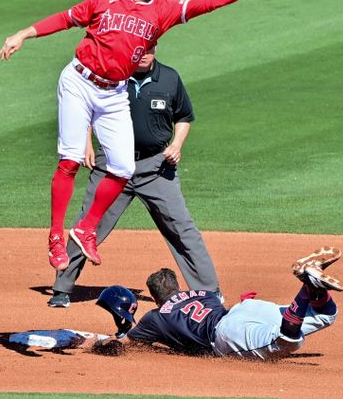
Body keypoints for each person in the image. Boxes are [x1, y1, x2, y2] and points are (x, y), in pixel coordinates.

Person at [0, 0, 292, 271]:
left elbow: (204, 3)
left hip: (113, 92)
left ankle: (85, 229)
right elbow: (64, 19)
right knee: (69, 161)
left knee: (123, 168)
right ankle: (56, 236)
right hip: (79, 82)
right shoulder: (103, 1)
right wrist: (24, 34)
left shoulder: (162, 12)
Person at [47, 46, 220, 308]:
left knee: (182, 228)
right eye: (141, 49)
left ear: (156, 48)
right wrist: (86, 143)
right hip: (113, 166)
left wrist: (177, 144)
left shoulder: (170, 78)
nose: (145, 53)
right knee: (87, 225)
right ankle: (62, 288)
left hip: (156, 167)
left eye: (150, 48)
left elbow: (184, 116)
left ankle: (209, 292)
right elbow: (86, 105)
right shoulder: (114, 76)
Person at [94, 246, 343, 361]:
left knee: (286, 341)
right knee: (324, 316)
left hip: (226, 335)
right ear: (177, 286)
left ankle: (306, 284)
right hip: (243, 309)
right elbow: (216, 308)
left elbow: (123, 344)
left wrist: (95, 343)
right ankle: (313, 287)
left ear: (157, 297)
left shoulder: (155, 318)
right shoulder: (204, 294)